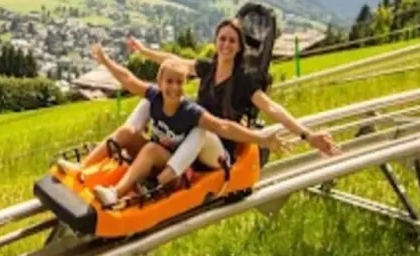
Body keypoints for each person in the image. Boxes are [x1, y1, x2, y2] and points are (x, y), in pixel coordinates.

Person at [79, 43, 282, 208]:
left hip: (179, 170)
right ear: (160, 82)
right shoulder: (154, 97)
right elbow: (127, 79)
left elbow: (224, 127)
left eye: (179, 82)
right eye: (169, 82)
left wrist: (263, 138)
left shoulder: (190, 112)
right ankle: (82, 169)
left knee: (151, 148)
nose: (174, 88)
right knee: (127, 132)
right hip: (160, 156)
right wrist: (105, 60)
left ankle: (115, 193)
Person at [127, 19, 340, 158]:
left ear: (239, 47)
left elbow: (272, 109)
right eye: (222, 39)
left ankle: (152, 155)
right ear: (216, 41)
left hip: (218, 147)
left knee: (200, 127)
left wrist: (308, 136)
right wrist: (145, 51)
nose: (226, 44)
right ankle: (125, 141)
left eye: (232, 40)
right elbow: (174, 61)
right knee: (150, 100)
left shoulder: (244, 81)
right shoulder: (207, 68)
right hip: (191, 137)